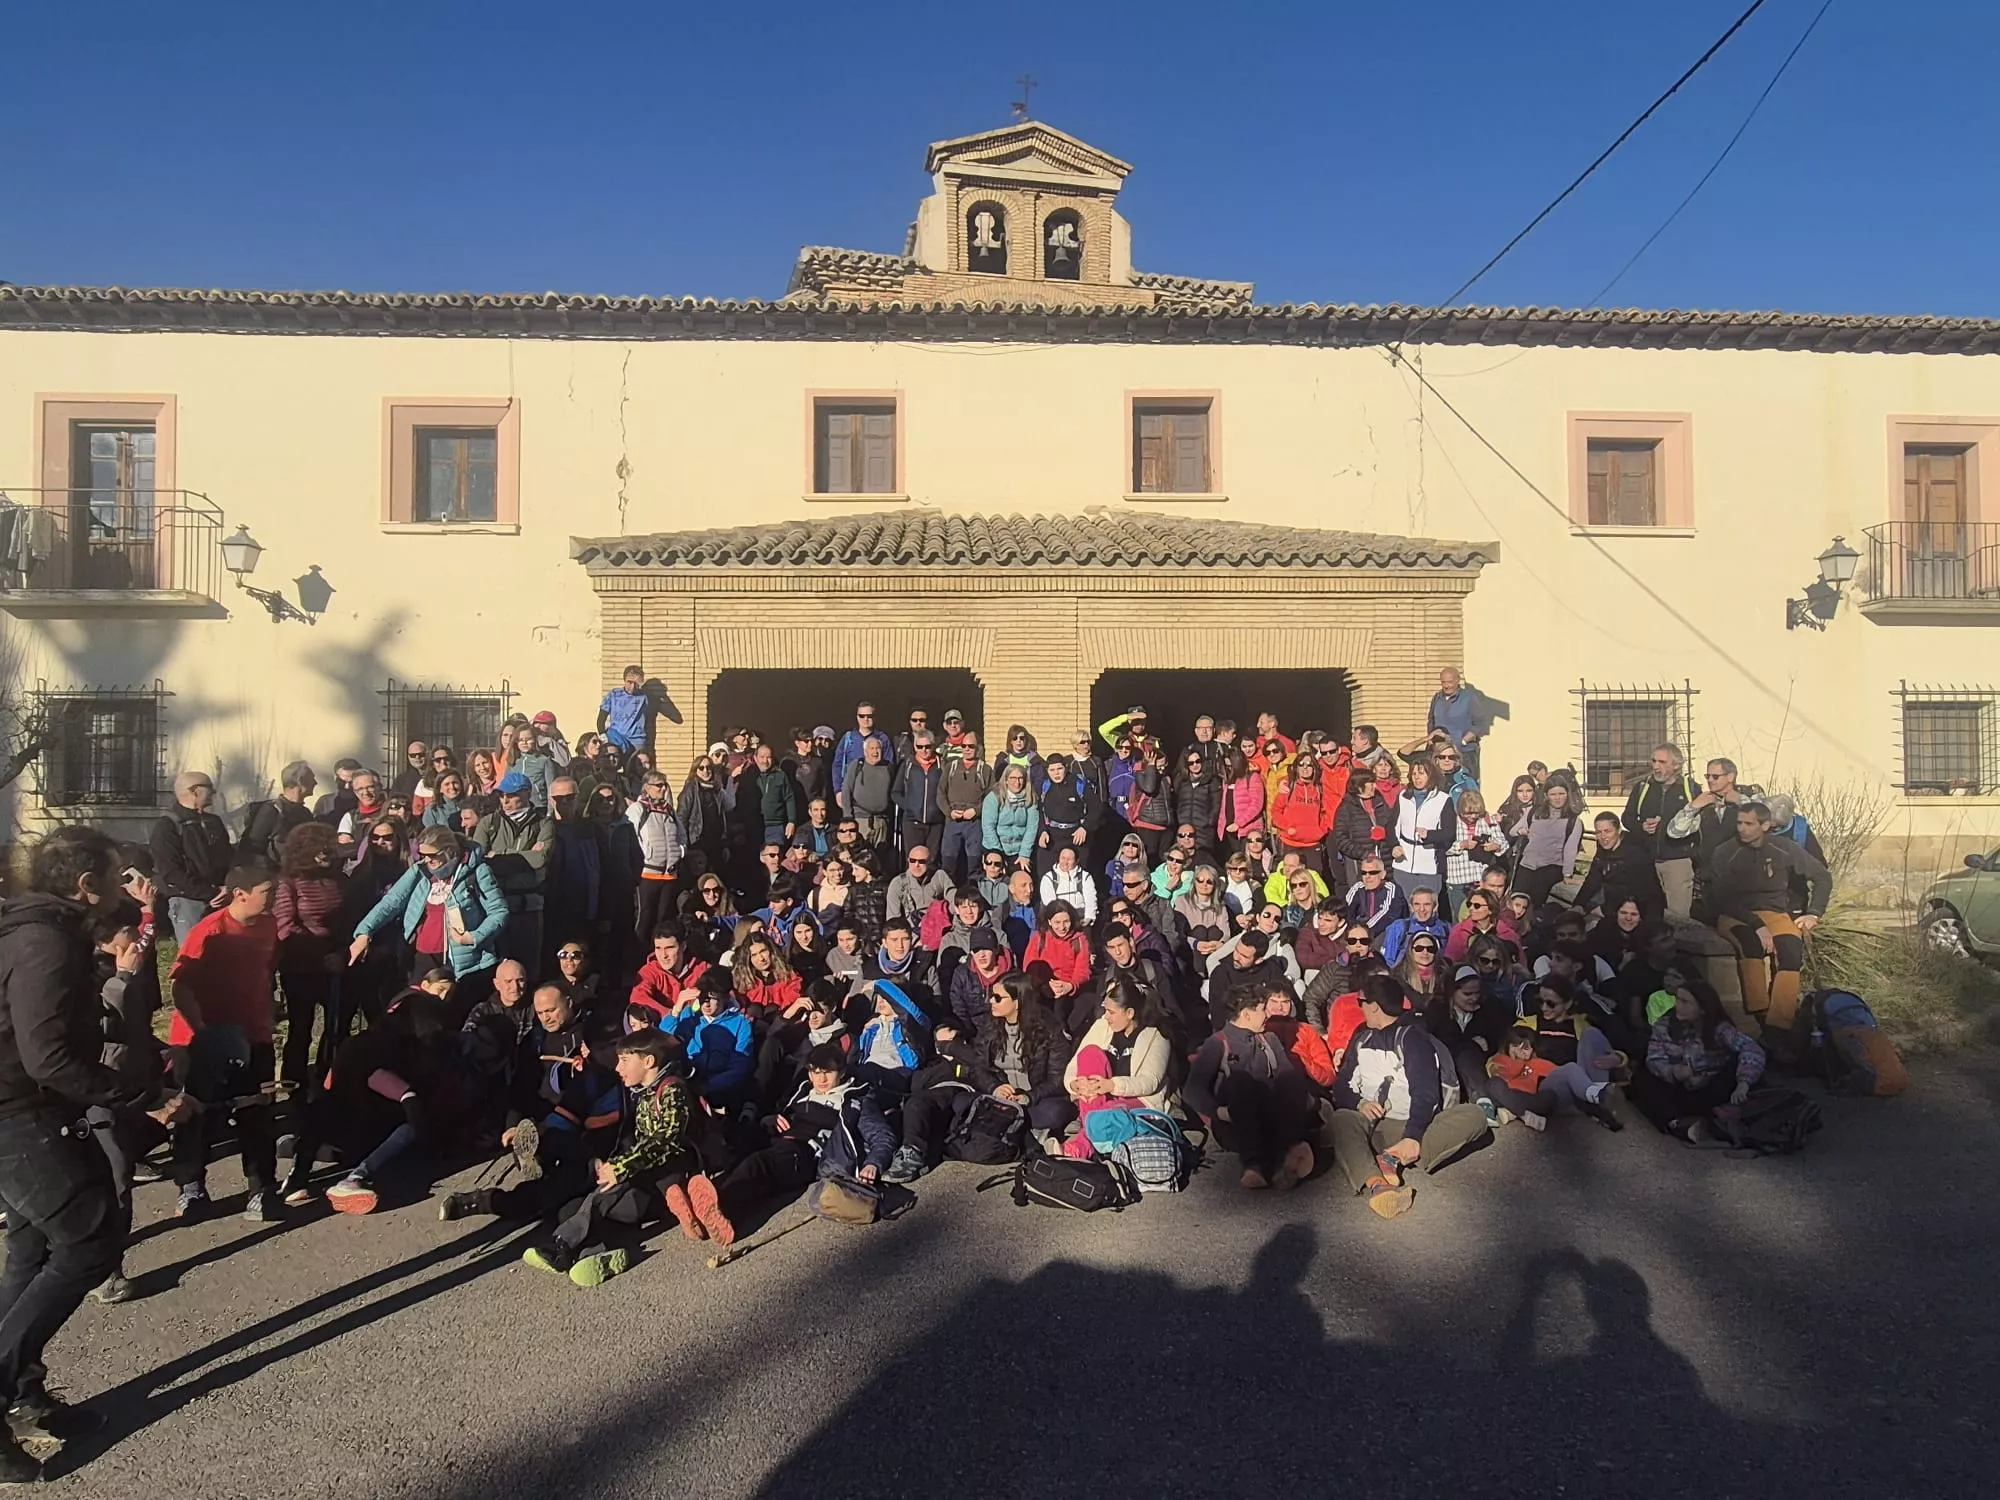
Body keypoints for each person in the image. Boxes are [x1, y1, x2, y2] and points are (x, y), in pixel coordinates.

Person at [0, 828, 192, 1475]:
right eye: (116, 877)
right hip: (17, 1115)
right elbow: (48, 1056)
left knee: (32, 1251)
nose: (126, 888)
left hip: (25, 1108)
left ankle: (23, 1395)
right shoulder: (44, 942)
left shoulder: (42, 928)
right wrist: (140, 1095)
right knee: (88, 1242)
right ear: (86, 886)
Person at [517, 1029, 702, 1286]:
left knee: (607, 1196)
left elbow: (664, 1140)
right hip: (644, 1176)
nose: (617, 1067)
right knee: (579, 1209)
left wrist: (620, 1167)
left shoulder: (672, 1090)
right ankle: (593, 1253)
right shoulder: (642, 1093)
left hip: (668, 1178)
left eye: (624, 1060)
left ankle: (562, 1244)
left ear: (648, 1062)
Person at [166, 861, 283, 1221]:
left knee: (258, 1112)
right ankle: (191, 1188)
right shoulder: (210, 931)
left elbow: (263, 973)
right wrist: (204, 1033)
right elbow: (180, 987)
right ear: (240, 894)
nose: (274, 897)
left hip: (254, 1035)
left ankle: (261, 1189)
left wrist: (268, 1015)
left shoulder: (269, 925)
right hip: (205, 1040)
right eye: (267, 892)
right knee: (197, 1115)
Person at [1327, 974, 1493, 1219]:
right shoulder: (1362, 1036)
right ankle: (1378, 1185)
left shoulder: (1412, 1037)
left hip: (1408, 1125)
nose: (1360, 1008)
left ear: (1374, 1006)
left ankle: (1392, 1156)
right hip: (1368, 1124)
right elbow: (1341, 1084)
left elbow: (1425, 1092)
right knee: (1341, 1118)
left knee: (1474, 1115)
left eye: (1361, 1002)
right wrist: (1360, 1103)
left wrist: (1412, 1136)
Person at [1707, 801, 1831, 1032]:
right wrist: (1757, 925)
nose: (1742, 829)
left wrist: (1814, 913)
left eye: (1749, 824)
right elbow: (1722, 897)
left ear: (1765, 825)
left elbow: (1822, 876)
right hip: (1736, 915)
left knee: (1791, 951)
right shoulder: (1724, 852)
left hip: (1775, 913)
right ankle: (1759, 1013)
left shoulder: (1784, 848)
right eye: (1739, 823)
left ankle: (1780, 1023)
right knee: (1750, 944)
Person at [349, 826, 507, 1006]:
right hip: (422, 958)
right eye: (422, 855)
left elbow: (499, 911)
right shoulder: (420, 871)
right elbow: (391, 902)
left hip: (463, 961)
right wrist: (364, 932)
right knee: (419, 1012)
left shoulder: (477, 871)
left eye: (432, 855)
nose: (427, 860)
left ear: (449, 851)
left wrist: (474, 937)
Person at [1184, 979, 1316, 1191]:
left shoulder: (1269, 1039)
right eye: (1263, 1010)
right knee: (1241, 1081)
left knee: (1290, 1080)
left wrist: (1302, 1099)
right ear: (1246, 1014)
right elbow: (1192, 1090)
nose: (1268, 1015)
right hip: (1235, 1119)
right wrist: (1217, 1111)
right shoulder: (1218, 1043)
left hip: (1270, 1113)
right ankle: (1256, 1165)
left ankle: (1287, 1153)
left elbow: (1287, 1075)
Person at [1631, 977, 1768, 1141]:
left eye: (1685, 1002)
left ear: (1702, 1008)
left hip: (1712, 1087)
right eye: (1677, 1000)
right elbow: (1654, 1058)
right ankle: (1676, 1123)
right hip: (1681, 1088)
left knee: (1736, 1064)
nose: (1678, 1006)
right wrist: (1673, 1071)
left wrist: (1744, 1082)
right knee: (1642, 1076)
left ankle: (1724, 1115)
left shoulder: (1719, 1028)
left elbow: (1751, 1048)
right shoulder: (1665, 1025)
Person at [274, 822, 352, 1093]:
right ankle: (293, 1085)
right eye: (322, 849)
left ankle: (327, 1079)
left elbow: (348, 921)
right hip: (300, 966)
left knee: (337, 1027)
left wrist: (342, 953)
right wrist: (320, 955)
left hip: (336, 964)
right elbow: (285, 927)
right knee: (301, 1028)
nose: (328, 853)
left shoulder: (339, 880)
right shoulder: (288, 884)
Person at [475, 771, 557, 966]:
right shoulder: (489, 822)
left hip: (529, 906)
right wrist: (523, 857)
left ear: (527, 793)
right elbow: (479, 862)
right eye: (502, 795)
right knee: (496, 965)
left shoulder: (543, 823)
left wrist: (498, 856)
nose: (505, 800)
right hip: (494, 906)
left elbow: (540, 859)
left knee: (529, 965)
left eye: (511, 795)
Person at [151, 769, 234, 944]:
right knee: (194, 951)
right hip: (188, 902)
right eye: (209, 787)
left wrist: (227, 888)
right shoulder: (167, 826)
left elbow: (228, 858)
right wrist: (210, 893)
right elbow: (170, 871)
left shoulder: (214, 822)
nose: (214, 792)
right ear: (195, 791)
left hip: (222, 898)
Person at [1621, 744, 1699, 920]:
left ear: (1676, 765)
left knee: (1678, 918)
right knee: (1645, 914)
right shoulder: (1643, 787)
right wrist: (1641, 826)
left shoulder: (1691, 789)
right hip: (1645, 861)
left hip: (1677, 861)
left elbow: (1699, 824)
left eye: (1662, 762)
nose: (1656, 766)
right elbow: (1627, 818)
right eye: (1654, 761)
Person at [1576, 810, 1666, 922]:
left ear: (1618, 830)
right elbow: (1593, 878)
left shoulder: (1636, 852)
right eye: (1598, 832)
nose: (1603, 836)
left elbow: (1636, 890)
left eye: (1607, 831)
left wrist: (1605, 909)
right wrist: (1578, 904)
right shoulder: (1603, 846)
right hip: (1615, 902)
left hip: (1641, 909)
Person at [1392, 757, 1457, 908]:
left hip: (1430, 866)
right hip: (1403, 864)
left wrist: (1429, 835)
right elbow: (1392, 825)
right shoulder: (1403, 797)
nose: (1417, 777)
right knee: (1406, 907)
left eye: (1421, 773)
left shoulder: (1443, 799)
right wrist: (1394, 845)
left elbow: (1449, 833)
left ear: (1430, 775)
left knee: (1427, 908)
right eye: (1414, 774)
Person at [1512, 779, 1583, 906]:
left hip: (1550, 868)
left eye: (1561, 794)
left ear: (1567, 794)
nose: (1557, 798)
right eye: (1553, 794)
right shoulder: (1534, 813)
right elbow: (1513, 831)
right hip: (1526, 866)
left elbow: (1570, 849)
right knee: (1516, 904)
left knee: (1535, 906)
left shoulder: (1573, 821)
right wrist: (1521, 831)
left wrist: (1567, 875)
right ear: (1546, 795)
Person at [939, 729, 993, 883]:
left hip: (974, 823)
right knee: (948, 864)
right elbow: (940, 793)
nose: (967, 749)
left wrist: (976, 811)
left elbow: (991, 797)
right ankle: (947, 896)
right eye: (964, 746)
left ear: (978, 747)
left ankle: (973, 895)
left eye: (971, 746)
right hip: (953, 821)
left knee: (974, 865)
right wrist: (949, 812)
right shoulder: (951, 767)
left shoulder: (985, 770)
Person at [1426, 666, 1493, 782]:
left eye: (1450, 682)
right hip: (1441, 754)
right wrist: (1431, 739)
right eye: (1443, 682)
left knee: (1465, 785)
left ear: (1457, 680)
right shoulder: (1437, 698)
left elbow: (1481, 723)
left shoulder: (1469, 698)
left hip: (1464, 753)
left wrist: (1463, 741)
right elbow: (1431, 721)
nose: (1446, 686)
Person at [892, 733, 948, 861]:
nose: (924, 750)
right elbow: (895, 792)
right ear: (915, 747)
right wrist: (909, 807)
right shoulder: (908, 764)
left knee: (931, 860)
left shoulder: (942, 765)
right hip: (912, 822)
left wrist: (941, 809)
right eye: (920, 746)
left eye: (927, 746)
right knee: (913, 860)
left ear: (933, 746)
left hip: (936, 823)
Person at [831, 703, 895, 807]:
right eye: (862, 716)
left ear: (874, 717)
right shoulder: (848, 738)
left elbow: (890, 766)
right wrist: (838, 790)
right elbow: (837, 765)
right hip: (851, 791)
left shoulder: (883, 739)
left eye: (869, 716)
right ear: (857, 717)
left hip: (875, 791)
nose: (865, 719)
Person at [841, 735, 896, 848]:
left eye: (878, 748)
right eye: (872, 748)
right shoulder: (856, 765)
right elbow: (846, 791)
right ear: (865, 751)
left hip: (881, 821)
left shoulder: (889, 767)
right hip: (860, 820)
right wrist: (848, 817)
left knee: (880, 854)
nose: (875, 752)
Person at [886, 845, 952, 927]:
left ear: (929, 862)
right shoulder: (897, 883)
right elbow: (893, 919)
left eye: (921, 861)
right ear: (908, 861)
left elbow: (954, 901)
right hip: (911, 929)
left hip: (938, 926)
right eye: (912, 861)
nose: (916, 865)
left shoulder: (940, 876)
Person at [597, 664, 656, 755]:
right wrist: (603, 737)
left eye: (636, 683)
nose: (632, 687)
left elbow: (650, 722)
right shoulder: (614, 695)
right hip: (616, 739)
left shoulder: (644, 697)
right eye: (629, 682)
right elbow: (601, 719)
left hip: (637, 741)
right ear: (624, 680)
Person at [1381, 887, 1449, 966]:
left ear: (1435, 907)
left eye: (1427, 904)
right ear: (1411, 907)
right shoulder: (1399, 927)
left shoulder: (1445, 929)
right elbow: (1387, 961)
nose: (1422, 909)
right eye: (1417, 904)